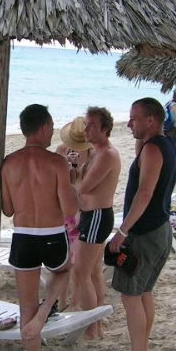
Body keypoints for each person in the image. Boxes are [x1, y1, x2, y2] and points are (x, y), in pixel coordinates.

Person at [1, 104, 79, 351]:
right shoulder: (56, 162)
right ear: (44, 127)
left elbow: (8, 209)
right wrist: (73, 184)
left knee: (26, 307)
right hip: (52, 234)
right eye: (52, 127)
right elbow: (69, 209)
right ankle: (46, 311)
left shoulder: (8, 162)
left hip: (23, 236)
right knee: (64, 270)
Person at [109, 97, 176, 351]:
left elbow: (145, 193)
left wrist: (122, 231)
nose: (129, 124)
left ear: (150, 120)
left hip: (145, 232)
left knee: (131, 296)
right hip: (160, 227)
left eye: (133, 118)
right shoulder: (168, 145)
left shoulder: (152, 149)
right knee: (144, 293)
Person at [71, 106, 121, 339]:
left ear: (105, 129)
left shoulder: (107, 154)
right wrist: (74, 168)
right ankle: (96, 326)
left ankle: (91, 328)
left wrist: (69, 182)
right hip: (92, 216)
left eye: (91, 125)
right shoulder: (95, 152)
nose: (86, 129)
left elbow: (84, 187)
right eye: (86, 124)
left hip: (97, 216)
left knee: (81, 273)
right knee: (93, 273)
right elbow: (82, 181)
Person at [54, 116, 92, 310]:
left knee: (77, 263)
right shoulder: (62, 150)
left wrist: (76, 171)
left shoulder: (90, 155)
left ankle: (74, 302)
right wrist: (64, 164)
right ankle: (61, 301)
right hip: (65, 209)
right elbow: (55, 178)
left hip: (80, 210)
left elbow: (84, 185)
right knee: (63, 260)